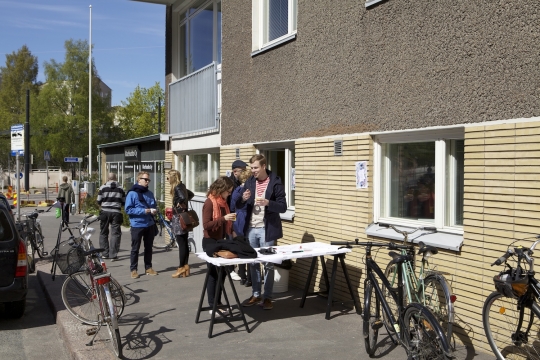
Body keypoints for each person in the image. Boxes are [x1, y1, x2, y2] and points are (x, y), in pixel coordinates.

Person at [237, 154, 287, 310]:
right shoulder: (250, 182)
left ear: (264, 166)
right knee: (253, 263)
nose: (253, 171)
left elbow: (283, 207)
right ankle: (256, 294)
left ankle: (267, 298)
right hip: (251, 228)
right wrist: (243, 198)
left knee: (268, 264)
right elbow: (238, 203)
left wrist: (268, 203)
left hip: (267, 229)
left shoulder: (275, 182)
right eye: (251, 168)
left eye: (256, 168)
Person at [202, 176, 236, 315]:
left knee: (222, 273)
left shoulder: (223, 203)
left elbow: (224, 224)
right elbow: (206, 225)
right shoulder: (210, 203)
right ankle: (213, 305)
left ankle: (218, 302)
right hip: (210, 241)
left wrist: (232, 231)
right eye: (228, 191)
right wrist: (223, 219)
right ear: (221, 189)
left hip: (221, 240)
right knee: (214, 275)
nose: (229, 194)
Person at [125, 171, 159, 279]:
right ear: (139, 180)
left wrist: (154, 211)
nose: (147, 182)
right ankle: (133, 269)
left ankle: (148, 268)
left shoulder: (149, 193)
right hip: (137, 224)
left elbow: (154, 205)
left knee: (148, 247)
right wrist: (145, 211)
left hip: (149, 224)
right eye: (145, 179)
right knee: (135, 248)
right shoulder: (132, 193)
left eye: (148, 180)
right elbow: (128, 209)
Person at [168, 170, 195, 278]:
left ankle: (181, 267)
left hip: (179, 218)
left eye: (168, 177)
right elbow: (190, 194)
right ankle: (186, 266)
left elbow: (183, 197)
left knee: (181, 243)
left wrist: (177, 202)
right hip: (184, 217)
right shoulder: (182, 186)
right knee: (184, 242)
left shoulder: (178, 187)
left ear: (173, 177)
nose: (168, 179)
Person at [230, 168, 253, 286]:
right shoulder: (247, 190)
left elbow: (232, 206)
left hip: (237, 219)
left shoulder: (237, 189)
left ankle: (243, 275)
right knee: (248, 247)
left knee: (241, 247)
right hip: (245, 219)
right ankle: (249, 277)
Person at [97, 173, 126, 261]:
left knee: (103, 232)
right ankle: (113, 255)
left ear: (108, 178)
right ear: (115, 178)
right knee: (115, 234)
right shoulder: (121, 188)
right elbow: (124, 201)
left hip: (105, 212)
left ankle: (105, 253)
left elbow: (99, 200)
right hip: (116, 213)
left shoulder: (102, 187)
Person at [227, 159, 248, 281]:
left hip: (238, 216)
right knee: (231, 242)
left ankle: (241, 270)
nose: (245, 173)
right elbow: (231, 202)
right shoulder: (230, 183)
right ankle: (230, 269)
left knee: (240, 242)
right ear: (235, 171)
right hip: (231, 216)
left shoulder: (240, 183)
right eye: (242, 170)